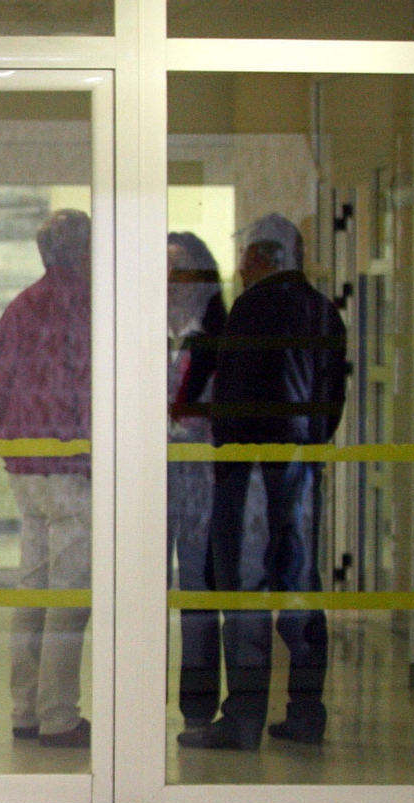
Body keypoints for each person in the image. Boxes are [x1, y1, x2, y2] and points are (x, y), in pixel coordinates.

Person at [178, 214, 348, 751]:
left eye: (246, 257)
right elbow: (332, 400)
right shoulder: (325, 311)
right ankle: (306, 711)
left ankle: (244, 716)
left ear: (260, 258)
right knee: (300, 588)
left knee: (245, 590)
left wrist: (226, 459)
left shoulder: (249, 311)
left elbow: (232, 399)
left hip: (248, 472)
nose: (241, 268)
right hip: (302, 468)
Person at [0, 209, 93, 749]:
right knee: (69, 593)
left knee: (31, 588)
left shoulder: (20, 308)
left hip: (25, 467)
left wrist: (9, 448)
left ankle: (25, 708)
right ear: (85, 252)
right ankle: (59, 715)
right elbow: (90, 387)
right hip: (72, 469)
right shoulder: (89, 306)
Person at [165, 232, 227, 734]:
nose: (170, 282)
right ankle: (136, 709)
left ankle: (198, 711)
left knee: (197, 593)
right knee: (141, 588)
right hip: (148, 479)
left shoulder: (216, 334)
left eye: (181, 270)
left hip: (201, 480)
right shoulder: (141, 329)